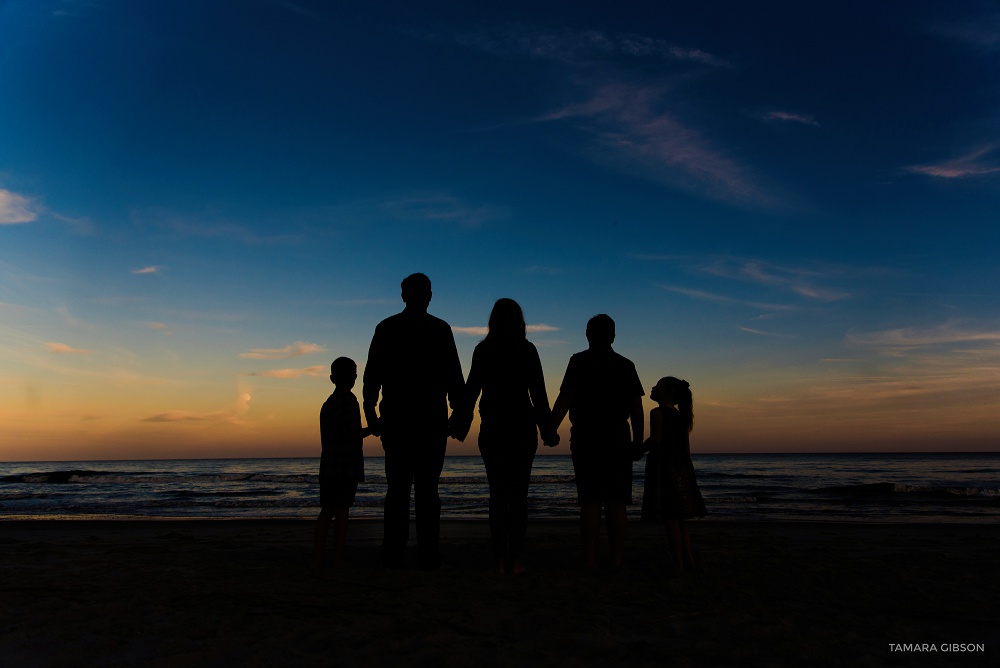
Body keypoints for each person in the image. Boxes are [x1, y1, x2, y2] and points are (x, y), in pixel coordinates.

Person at [363, 273, 465, 570]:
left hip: (400, 421)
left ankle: (394, 553)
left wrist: (373, 418)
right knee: (426, 491)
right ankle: (427, 554)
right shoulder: (438, 329)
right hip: (428, 422)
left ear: (403, 295)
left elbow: (371, 380)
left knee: (398, 490)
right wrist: (458, 414)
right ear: (428, 296)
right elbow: (454, 378)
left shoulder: (388, 328)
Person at [455, 298, 558, 576]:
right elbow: (538, 394)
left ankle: (500, 560)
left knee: (498, 496)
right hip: (522, 429)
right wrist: (548, 430)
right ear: (520, 321)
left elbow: (471, 389)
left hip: (493, 429)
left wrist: (460, 423)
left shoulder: (483, 350)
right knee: (518, 497)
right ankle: (516, 561)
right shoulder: (526, 350)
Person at [550, 314, 644, 570]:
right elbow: (637, 408)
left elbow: (565, 398)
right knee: (616, 501)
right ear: (613, 336)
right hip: (616, 438)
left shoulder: (578, 362)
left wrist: (550, 428)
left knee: (590, 501)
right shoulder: (625, 365)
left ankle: (589, 560)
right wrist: (637, 441)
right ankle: (615, 560)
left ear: (588, 334)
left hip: (586, 437)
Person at [312, 357, 371, 570]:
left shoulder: (327, 404)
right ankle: (338, 559)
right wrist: (374, 428)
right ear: (354, 377)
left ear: (332, 378)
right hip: (345, 464)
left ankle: (318, 559)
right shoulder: (349, 401)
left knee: (327, 511)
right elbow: (352, 434)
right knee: (342, 511)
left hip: (328, 464)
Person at [646, 376, 706, 573]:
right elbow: (686, 450)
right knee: (679, 519)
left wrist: (636, 449)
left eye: (658, 385)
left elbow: (656, 440)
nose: (653, 387)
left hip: (664, 466)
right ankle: (688, 559)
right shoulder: (682, 417)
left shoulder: (657, 413)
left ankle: (678, 564)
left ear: (667, 392)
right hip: (681, 467)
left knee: (670, 518)